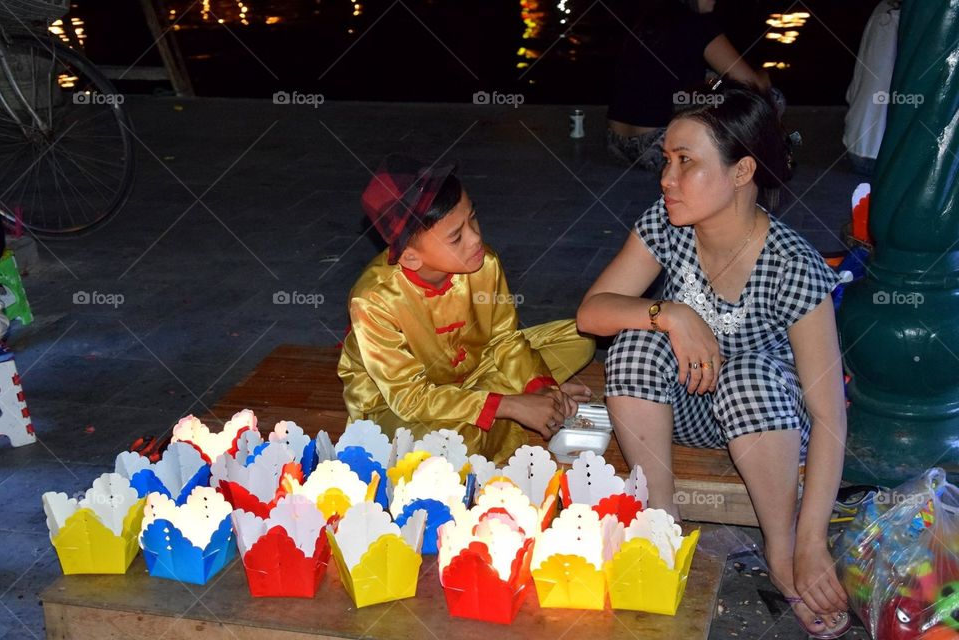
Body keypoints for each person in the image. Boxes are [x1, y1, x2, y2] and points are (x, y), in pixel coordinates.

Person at [579, 83, 850, 638]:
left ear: (742, 172)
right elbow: (592, 314)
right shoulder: (666, 225)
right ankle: (662, 520)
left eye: (685, 163)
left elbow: (828, 414)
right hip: (686, 408)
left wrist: (810, 539)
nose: (666, 178)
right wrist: (671, 313)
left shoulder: (792, 265)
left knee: (747, 374)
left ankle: (779, 547)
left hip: (765, 421)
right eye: (666, 161)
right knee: (634, 341)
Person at [339, 155, 595, 465]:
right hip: (396, 406)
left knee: (580, 339)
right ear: (410, 259)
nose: (476, 238)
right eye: (456, 236)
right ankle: (499, 408)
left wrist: (541, 388)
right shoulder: (374, 300)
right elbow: (409, 398)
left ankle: (508, 402)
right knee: (449, 447)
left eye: (472, 217)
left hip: (476, 371)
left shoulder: (483, 263)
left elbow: (505, 340)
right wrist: (511, 406)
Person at [606, 0, 771, 172]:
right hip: (659, 149)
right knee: (772, 97)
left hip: (617, 143)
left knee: (714, 82)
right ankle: (767, 163)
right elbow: (753, 84)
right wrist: (763, 75)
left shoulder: (648, 21)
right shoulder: (700, 24)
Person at [843, 0, 901, 176]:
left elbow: (854, 89)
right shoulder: (912, 23)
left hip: (854, 147)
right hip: (882, 158)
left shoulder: (882, 9)